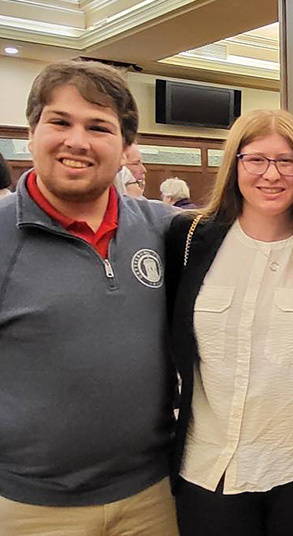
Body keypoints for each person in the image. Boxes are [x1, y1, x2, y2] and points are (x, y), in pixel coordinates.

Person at [0, 60, 176, 535]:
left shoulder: (165, 230)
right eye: (60, 122)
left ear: (124, 149)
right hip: (30, 508)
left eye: (99, 127)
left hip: (153, 497)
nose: (77, 141)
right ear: (31, 133)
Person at [165, 109, 293, 536]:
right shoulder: (190, 239)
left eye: (286, 161)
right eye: (256, 160)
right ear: (234, 165)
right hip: (209, 466)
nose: (272, 174)